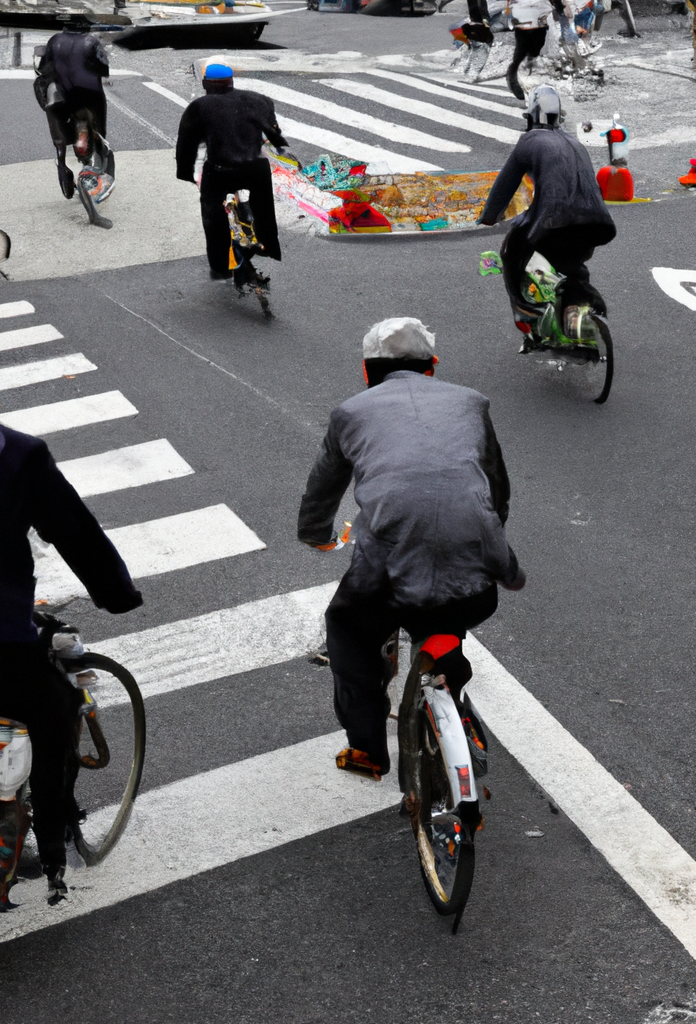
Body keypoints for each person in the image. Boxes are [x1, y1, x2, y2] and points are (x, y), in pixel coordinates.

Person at [297, 318, 525, 781]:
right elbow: (496, 485)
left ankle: (366, 750)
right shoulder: (471, 403)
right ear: (432, 367)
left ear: (366, 371)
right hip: (475, 560)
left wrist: (316, 533)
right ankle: (447, 668)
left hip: (386, 572)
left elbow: (323, 487)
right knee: (447, 611)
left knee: (349, 629)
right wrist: (490, 534)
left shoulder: (350, 412)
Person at [0, 425, 142, 902]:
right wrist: (117, 595)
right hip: (4, 638)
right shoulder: (18, 454)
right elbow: (74, 531)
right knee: (53, 716)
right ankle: (52, 839)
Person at [478, 85, 616, 337]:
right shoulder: (576, 144)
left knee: (512, 251)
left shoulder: (529, 141)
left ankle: (525, 309)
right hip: (598, 223)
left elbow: (504, 185)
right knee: (572, 265)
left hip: (556, 222)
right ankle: (578, 314)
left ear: (529, 117)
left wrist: (489, 216)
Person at [175, 63, 287, 284]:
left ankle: (220, 267)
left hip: (221, 171)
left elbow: (186, 146)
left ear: (206, 83)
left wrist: (185, 172)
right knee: (264, 204)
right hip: (255, 168)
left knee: (212, 213)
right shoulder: (258, 100)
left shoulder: (199, 107)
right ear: (231, 81)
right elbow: (274, 131)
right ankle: (268, 245)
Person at [39, 24, 113, 201]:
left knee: (59, 139)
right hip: (88, 96)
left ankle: (62, 163)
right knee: (98, 131)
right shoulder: (91, 41)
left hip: (60, 96)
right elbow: (104, 69)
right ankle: (98, 166)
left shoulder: (54, 40)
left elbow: (43, 68)